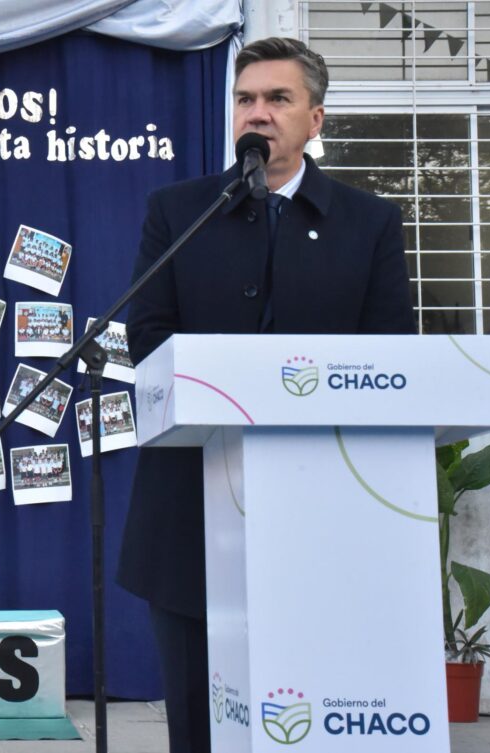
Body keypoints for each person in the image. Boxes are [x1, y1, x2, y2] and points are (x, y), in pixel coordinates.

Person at [118, 37, 414, 753]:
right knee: (196, 713)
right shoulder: (180, 210)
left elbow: (389, 351)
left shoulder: (369, 222)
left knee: (312, 708)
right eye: (245, 99)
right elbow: (148, 336)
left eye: (278, 99)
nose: (258, 113)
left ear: (316, 119)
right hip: (191, 507)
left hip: (325, 508)